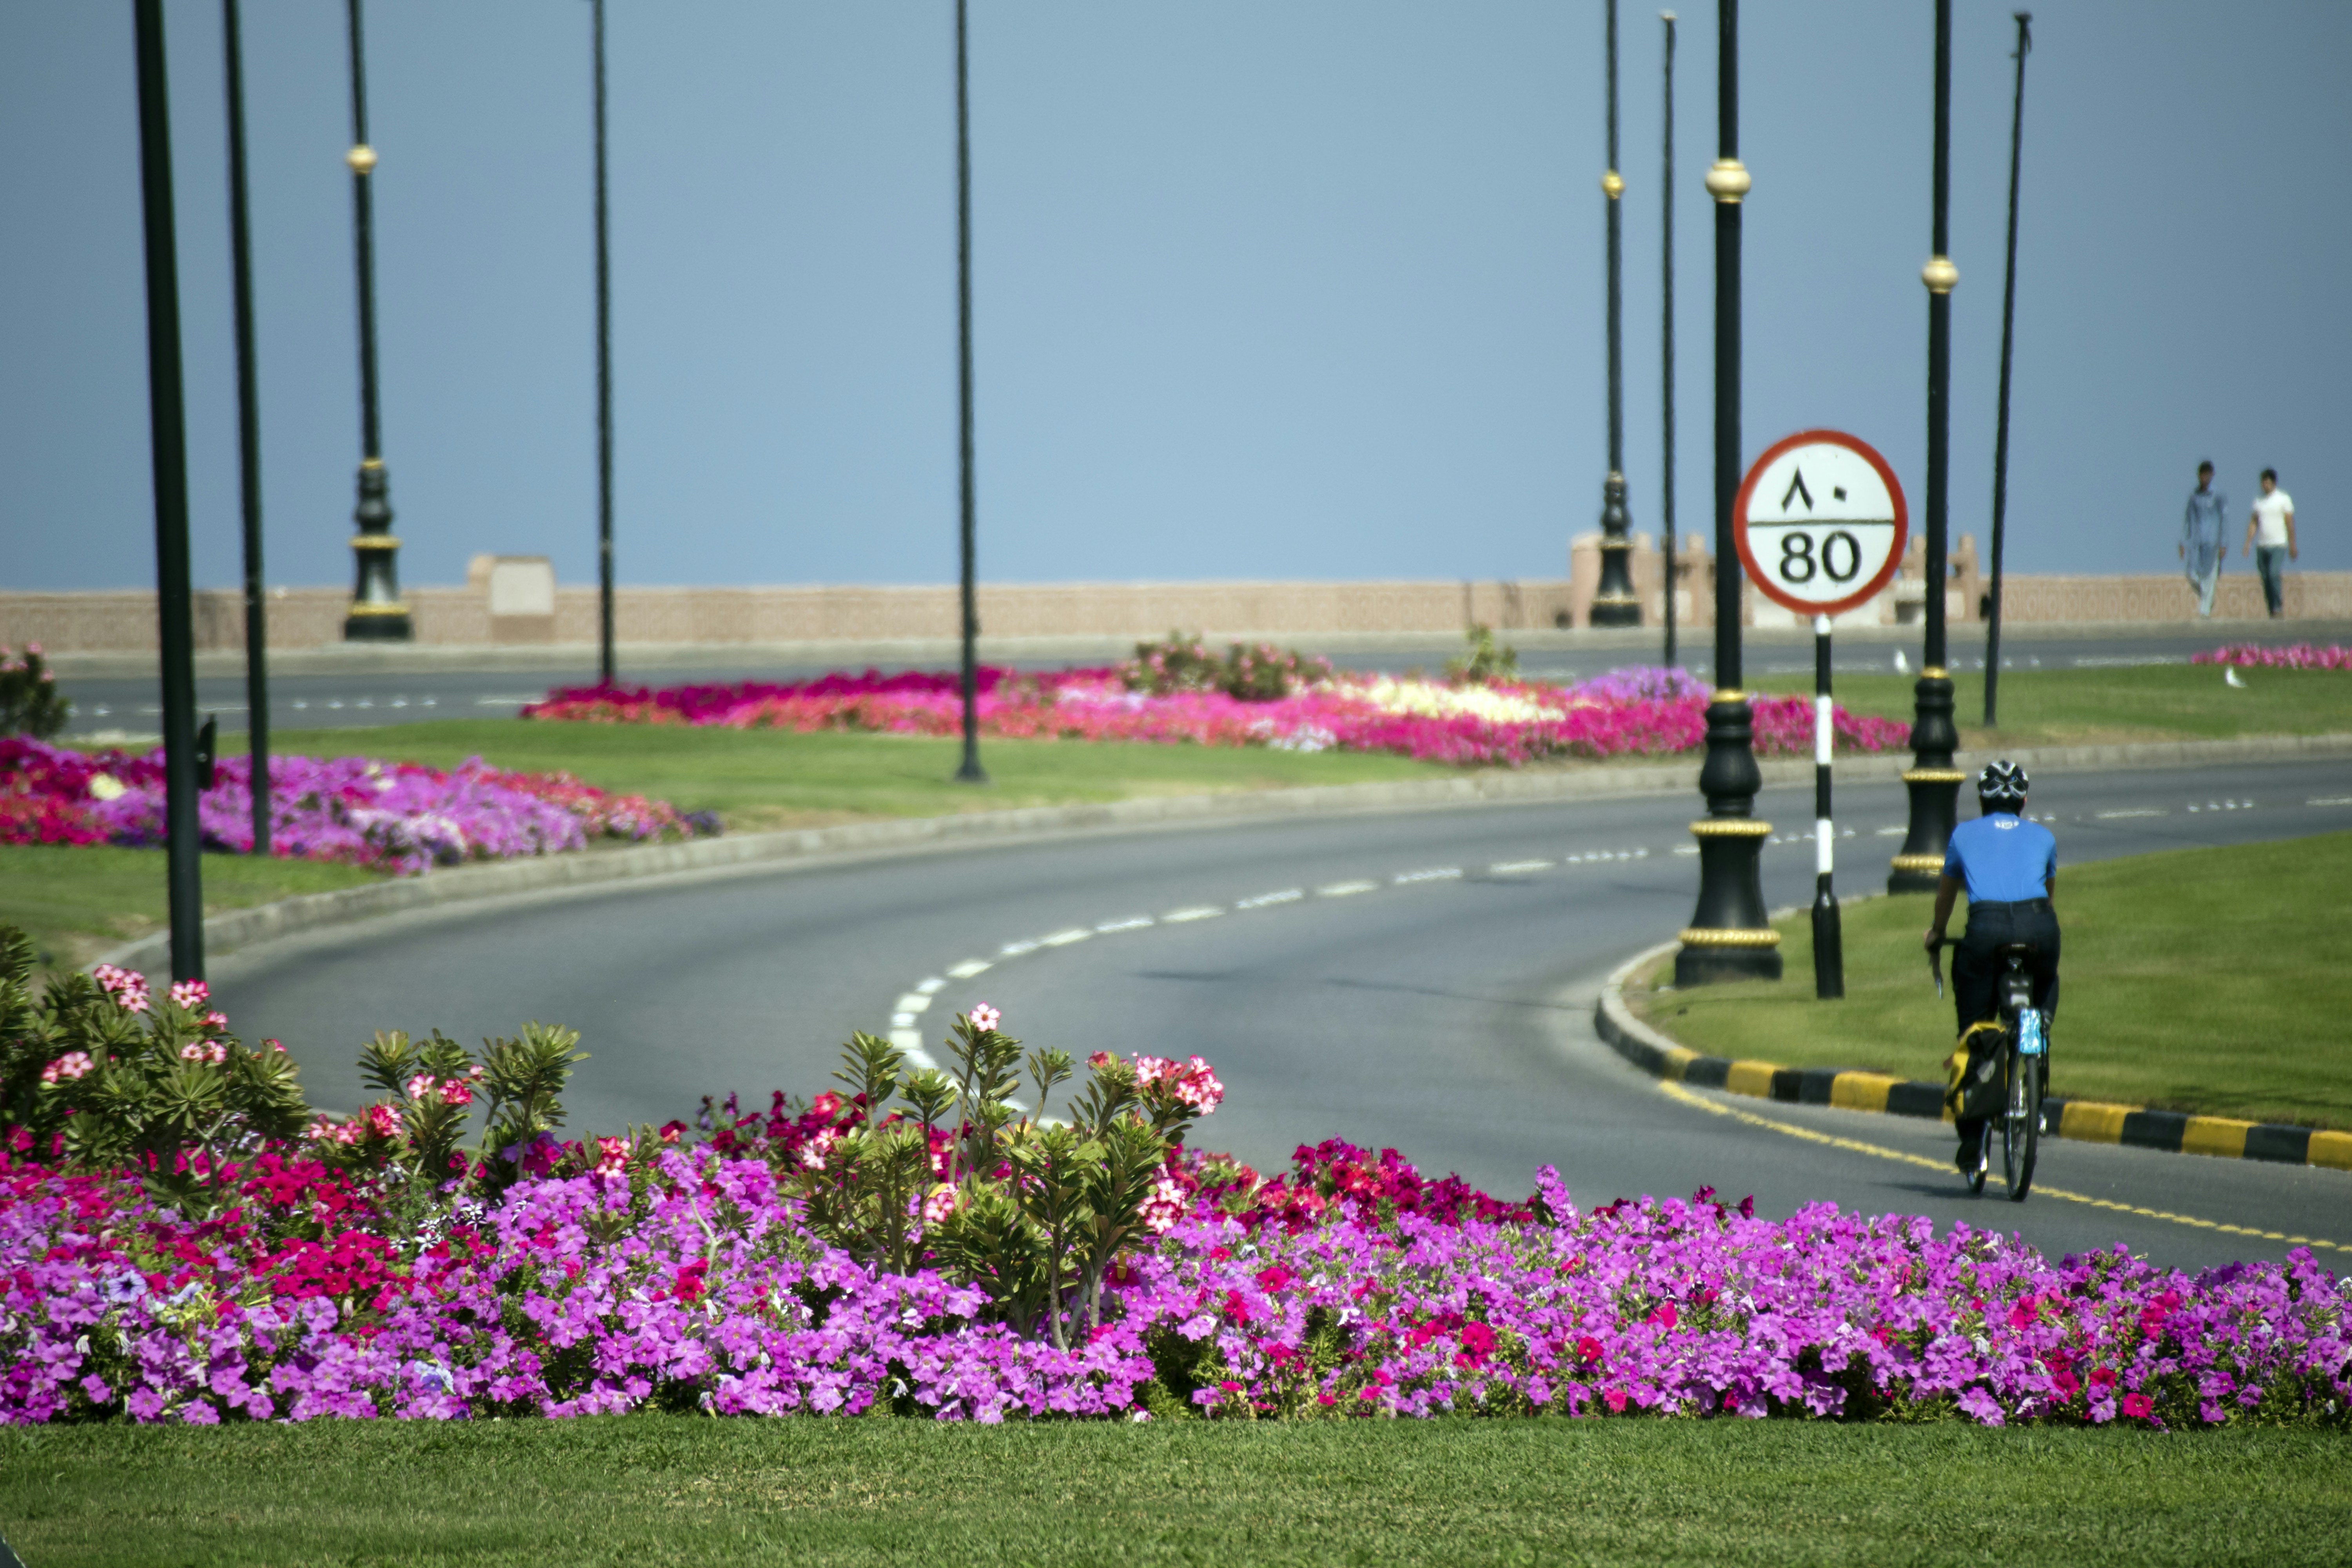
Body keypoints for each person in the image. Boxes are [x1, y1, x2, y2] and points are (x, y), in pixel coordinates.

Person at [1923, 761, 2059, 1179]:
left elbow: (1946, 897)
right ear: (2023, 800)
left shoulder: (1963, 835)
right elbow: (2047, 895)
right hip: (2040, 926)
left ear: (1982, 799)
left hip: (1985, 929)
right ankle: (2039, 1027)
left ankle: (1972, 1139)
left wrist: (1937, 933)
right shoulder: (2044, 836)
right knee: (2047, 979)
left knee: (1975, 1029)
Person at [2243, 468, 2297, 618]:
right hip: (2262, 545)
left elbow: (2289, 523)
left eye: (2267, 482)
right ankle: (2271, 608)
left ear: (2273, 483)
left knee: (2274, 574)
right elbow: (2254, 523)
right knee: (2265, 577)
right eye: (2263, 482)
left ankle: (2278, 606)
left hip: (2278, 544)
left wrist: (2293, 544)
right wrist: (2248, 543)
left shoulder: (2283, 499)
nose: (2265, 485)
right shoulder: (2258, 501)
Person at [2180, 461, 2228, 618]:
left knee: (2210, 576)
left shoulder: (2218, 497)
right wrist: (2183, 542)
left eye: (2208, 475)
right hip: (2197, 542)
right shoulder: (2194, 497)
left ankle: (2204, 611)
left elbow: (2224, 520)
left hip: (2213, 542)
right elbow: (2187, 520)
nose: (2205, 478)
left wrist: (2224, 543)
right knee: (2192, 574)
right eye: (2202, 475)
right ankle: (2207, 599)